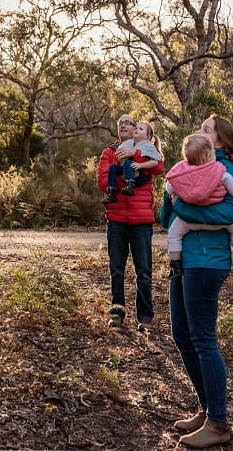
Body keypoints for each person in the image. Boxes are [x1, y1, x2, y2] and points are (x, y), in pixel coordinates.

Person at [158, 113, 233, 448]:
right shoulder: (185, 168)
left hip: (208, 261)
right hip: (185, 261)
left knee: (203, 338)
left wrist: (184, 209)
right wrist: (170, 195)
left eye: (206, 130)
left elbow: (227, 214)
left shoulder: (224, 171)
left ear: (219, 141)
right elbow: (166, 218)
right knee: (182, 334)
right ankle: (207, 408)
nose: (199, 132)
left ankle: (219, 422)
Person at [97, 114, 165, 331]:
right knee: (116, 270)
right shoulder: (109, 151)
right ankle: (117, 313)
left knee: (143, 271)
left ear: (136, 129)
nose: (123, 125)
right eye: (119, 123)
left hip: (141, 220)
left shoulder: (145, 148)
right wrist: (128, 174)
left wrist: (134, 154)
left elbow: (158, 167)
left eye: (128, 123)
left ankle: (145, 317)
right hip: (116, 219)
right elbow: (102, 181)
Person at [164, 133, 233, 278]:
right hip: (219, 222)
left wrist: (177, 193)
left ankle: (175, 265)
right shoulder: (220, 171)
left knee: (174, 234)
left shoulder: (184, 171)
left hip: (189, 222)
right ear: (209, 154)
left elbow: (170, 188)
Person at [103, 120, 162, 204]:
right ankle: (111, 192)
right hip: (127, 170)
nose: (137, 129)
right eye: (136, 128)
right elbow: (119, 152)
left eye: (141, 129)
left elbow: (156, 163)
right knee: (113, 167)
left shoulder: (148, 145)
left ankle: (130, 186)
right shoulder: (129, 143)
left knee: (128, 162)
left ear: (148, 137)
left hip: (140, 176)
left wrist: (140, 165)